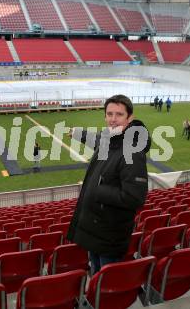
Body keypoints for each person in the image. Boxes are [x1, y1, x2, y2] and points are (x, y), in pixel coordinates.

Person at [67, 94, 151, 275]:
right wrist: (78, 133)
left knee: (104, 284)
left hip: (109, 235)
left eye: (119, 115)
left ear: (129, 118)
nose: (113, 119)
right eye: (109, 114)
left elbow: (134, 197)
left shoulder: (133, 152)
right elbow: (99, 141)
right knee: (96, 275)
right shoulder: (111, 139)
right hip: (97, 231)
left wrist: (97, 189)